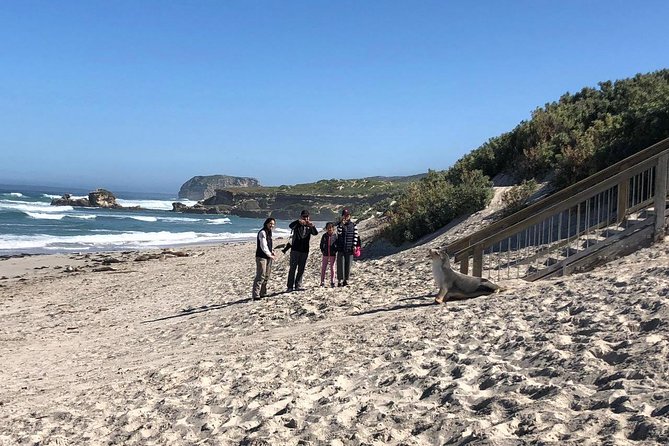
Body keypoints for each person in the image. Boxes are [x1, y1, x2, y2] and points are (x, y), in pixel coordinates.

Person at [287, 209, 318, 291]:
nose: (305, 219)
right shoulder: (297, 225)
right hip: (295, 250)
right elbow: (290, 226)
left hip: (304, 250)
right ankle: (290, 286)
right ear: (301, 217)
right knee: (292, 268)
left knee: (301, 268)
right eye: (304, 217)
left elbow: (315, 233)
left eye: (307, 217)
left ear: (309, 217)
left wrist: (312, 226)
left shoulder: (309, 226)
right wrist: (298, 222)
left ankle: (298, 285)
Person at [252, 217, 276, 300]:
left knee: (267, 275)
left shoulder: (270, 232)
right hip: (261, 257)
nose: (272, 225)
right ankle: (256, 294)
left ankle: (263, 292)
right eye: (270, 223)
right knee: (260, 275)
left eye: (273, 224)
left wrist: (272, 251)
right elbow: (263, 246)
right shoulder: (262, 232)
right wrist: (269, 254)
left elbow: (268, 245)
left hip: (268, 256)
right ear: (266, 223)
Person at [336, 208, 360, 287]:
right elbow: (338, 234)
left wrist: (354, 246)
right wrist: (341, 224)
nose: (346, 217)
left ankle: (346, 280)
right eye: (344, 215)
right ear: (342, 216)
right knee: (340, 265)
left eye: (347, 215)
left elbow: (355, 236)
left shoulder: (353, 225)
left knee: (348, 265)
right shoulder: (340, 225)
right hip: (341, 248)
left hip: (350, 248)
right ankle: (339, 280)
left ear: (350, 216)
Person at [319, 222, 337, 287]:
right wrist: (323, 250)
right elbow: (321, 244)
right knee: (323, 268)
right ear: (326, 228)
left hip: (332, 254)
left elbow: (337, 244)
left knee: (332, 268)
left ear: (333, 228)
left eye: (331, 228)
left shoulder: (335, 236)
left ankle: (332, 281)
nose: (329, 229)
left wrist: (335, 250)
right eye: (328, 228)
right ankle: (322, 281)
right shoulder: (324, 236)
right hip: (325, 254)